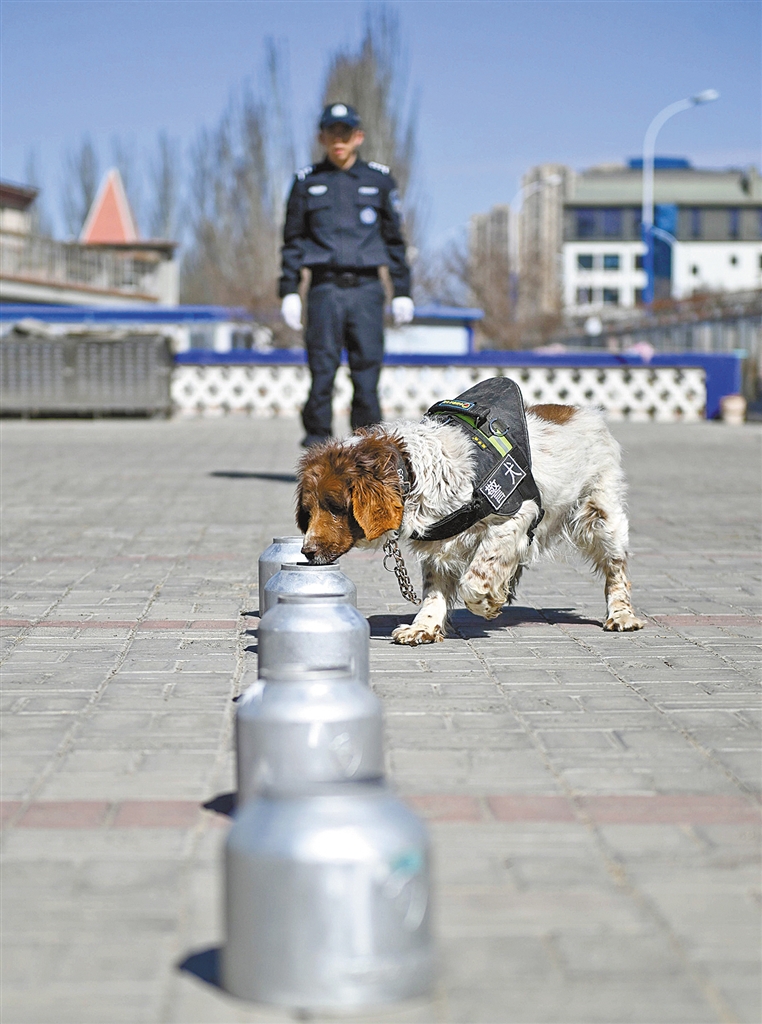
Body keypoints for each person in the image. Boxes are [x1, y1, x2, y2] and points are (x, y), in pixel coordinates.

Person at [279, 102, 414, 448]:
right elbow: (293, 242)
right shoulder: (307, 182)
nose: (338, 140)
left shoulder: (379, 181)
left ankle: (366, 455)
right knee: (321, 375)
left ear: (358, 137)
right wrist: (289, 290)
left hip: (367, 290)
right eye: (332, 133)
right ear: (321, 137)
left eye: (345, 133)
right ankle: (316, 454)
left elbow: (394, 241)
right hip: (324, 290)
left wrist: (402, 290)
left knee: (367, 377)